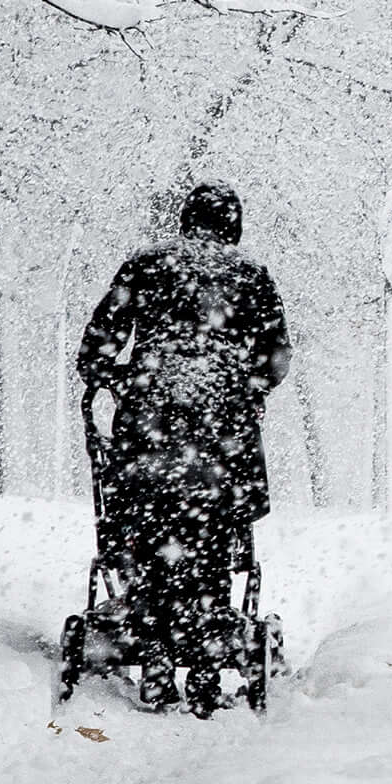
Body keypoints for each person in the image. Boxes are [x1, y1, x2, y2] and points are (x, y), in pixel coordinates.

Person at [75, 182, 288, 710]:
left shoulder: (145, 265)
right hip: (220, 443)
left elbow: (97, 345)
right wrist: (243, 388)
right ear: (233, 225)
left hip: (148, 438)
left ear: (185, 219)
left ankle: (154, 653)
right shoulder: (250, 275)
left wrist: (124, 378)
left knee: (147, 540)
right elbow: (275, 357)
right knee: (212, 544)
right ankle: (207, 663)